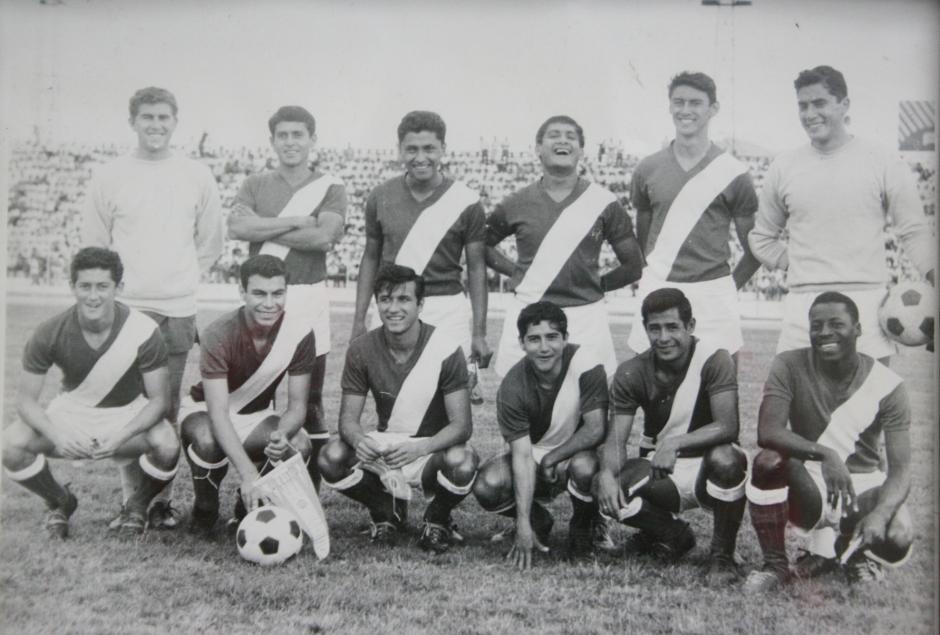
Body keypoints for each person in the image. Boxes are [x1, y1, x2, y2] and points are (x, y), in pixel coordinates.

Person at [82, 86, 224, 529]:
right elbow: (94, 246)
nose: (156, 125)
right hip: (126, 310)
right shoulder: (110, 176)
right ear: (133, 122)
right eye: (147, 117)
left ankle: (159, 503)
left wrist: (178, 279)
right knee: (129, 409)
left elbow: (211, 242)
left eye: (164, 117)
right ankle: (133, 502)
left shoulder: (196, 174)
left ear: (175, 122)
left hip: (176, 309)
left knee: (165, 409)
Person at [748, 65, 935, 360]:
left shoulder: (883, 160)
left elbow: (913, 231)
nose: (810, 114)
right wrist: (795, 264)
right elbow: (761, 238)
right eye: (803, 106)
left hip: (867, 304)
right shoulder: (784, 166)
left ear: (844, 104)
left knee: (869, 391)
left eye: (819, 103)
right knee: (791, 389)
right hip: (803, 304)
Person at [2, 248, 180, 538]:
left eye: (102, 286)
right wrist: (58, 436)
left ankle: (136, 507)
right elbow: (24, 401)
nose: (93, 296)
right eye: (85, 286)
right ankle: (60, 501)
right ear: (72, 286)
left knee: (168, 444)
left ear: (118, 287)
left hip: (125, 413)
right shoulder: (49, 331)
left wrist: (121, 435)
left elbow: (160, 401)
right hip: (72, 413)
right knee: (10, 444)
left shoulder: (143, 329)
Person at [744, 292, 914, 591]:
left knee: (897, 537)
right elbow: (768, 431)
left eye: (836, 324)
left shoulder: (888, 384)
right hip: (810, 481)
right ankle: (775, 566)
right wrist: (825, 454)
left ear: (857, 329)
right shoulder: (788, 364)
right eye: (816, 325)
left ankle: (852, 552)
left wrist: (880, 513)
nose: (824, 332)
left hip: (862, 486)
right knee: (767, 462)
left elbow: (900, 471)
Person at [227, 105, 347, 487]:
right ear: (273, 140)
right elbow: (236, 227)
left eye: (298, 134)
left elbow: (323, 237)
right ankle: (256, 489)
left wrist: (261, 227)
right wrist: (295, 221)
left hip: (309, 295)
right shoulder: (255, 183)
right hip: (263, 298)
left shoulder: (330, 186)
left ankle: (309, 494)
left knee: (309, 400)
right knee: (255, 398)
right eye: (283, 135)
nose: (290, 142)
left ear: (312, 139)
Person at [320, 264, 478, 554]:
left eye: (403, 299)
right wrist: (359, 440)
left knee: (463, 461)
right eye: (385, 299)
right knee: (332, 456)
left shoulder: (446, 348)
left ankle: (437, 519)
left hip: (429, 448)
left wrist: (421, 448)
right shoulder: (361, 348)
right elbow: (347, 421)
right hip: (387, 445)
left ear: (420, 304)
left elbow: (462, 426)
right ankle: (386, 509)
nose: (393, 308)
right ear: (377, 303)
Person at [595, 288, 747, 584]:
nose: (663, 337)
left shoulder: (714, 358)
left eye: (672, 327)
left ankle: (723, 555)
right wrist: (606, 474)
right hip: (663, 472)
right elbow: (616, 440)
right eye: (655, 328)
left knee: (727, 458)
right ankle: (671, 534)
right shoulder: (632, 371)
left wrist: (675, 443)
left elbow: (728, 426)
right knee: (608, 485)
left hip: (708, 468)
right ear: (645, 329)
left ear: (690, 326)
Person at [486, 115, 644, 379]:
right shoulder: (515, 202)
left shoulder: (604, 202)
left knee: (591, 399)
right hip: (528, 312)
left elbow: (633, 265)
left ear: (581, 150)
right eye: (554, 135)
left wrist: (596, 285)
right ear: (538, 148)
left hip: (586, 317)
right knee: (520, 396)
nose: (563, 141)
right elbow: (483, 246)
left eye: (571, 137)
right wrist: (517, 272)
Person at [351, 111, 491, 386]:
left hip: (446, 307)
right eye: (412, 149)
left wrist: (479, 332)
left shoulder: (466, 200)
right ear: (400, 150)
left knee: (454, 392)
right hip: (394, 303)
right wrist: (358, 320)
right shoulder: (380, 196)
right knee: (392, 392)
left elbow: (476, 268)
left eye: (429, 148)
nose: (420, 157)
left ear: (443, 149)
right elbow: (370, 258)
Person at [178, 255, 314, 537]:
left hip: (255, 416)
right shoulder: (218, 332)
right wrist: (248, 473)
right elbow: (218, 413)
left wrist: (282, 434)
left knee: (299, 443)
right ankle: (205, 508)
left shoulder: (300, 332)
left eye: (278, 293)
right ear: (242, 292)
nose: (269, 303)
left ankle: (247, 509)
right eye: (259, 293)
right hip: (205, 411)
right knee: (207, 439)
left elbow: (298, 406)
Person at [627, 72, 760, 358]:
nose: (685, 110)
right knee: (648, 379)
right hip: (658, 288)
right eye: (679, 102)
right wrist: (651, 280)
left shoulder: (734, 173)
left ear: (713, 109)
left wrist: (726, 288)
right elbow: (643, 242)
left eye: (695, 103)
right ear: (670, 106)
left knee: (720, 380)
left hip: (713, 294)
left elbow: (754, 249)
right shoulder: (647, 169)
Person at [473, 301, 610, 570]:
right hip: (534, 452)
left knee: (585, 467)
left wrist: (553, 458)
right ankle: (538, 521)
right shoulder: (512, 385)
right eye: (534, 339)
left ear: (565, 338)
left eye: (552, 337)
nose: (544, 347)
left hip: (578, 452)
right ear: (522, 343)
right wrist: (523, 523)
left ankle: (584, 527)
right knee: (488, 484)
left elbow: (595, 429)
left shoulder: (587, 363)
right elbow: (522, 456)